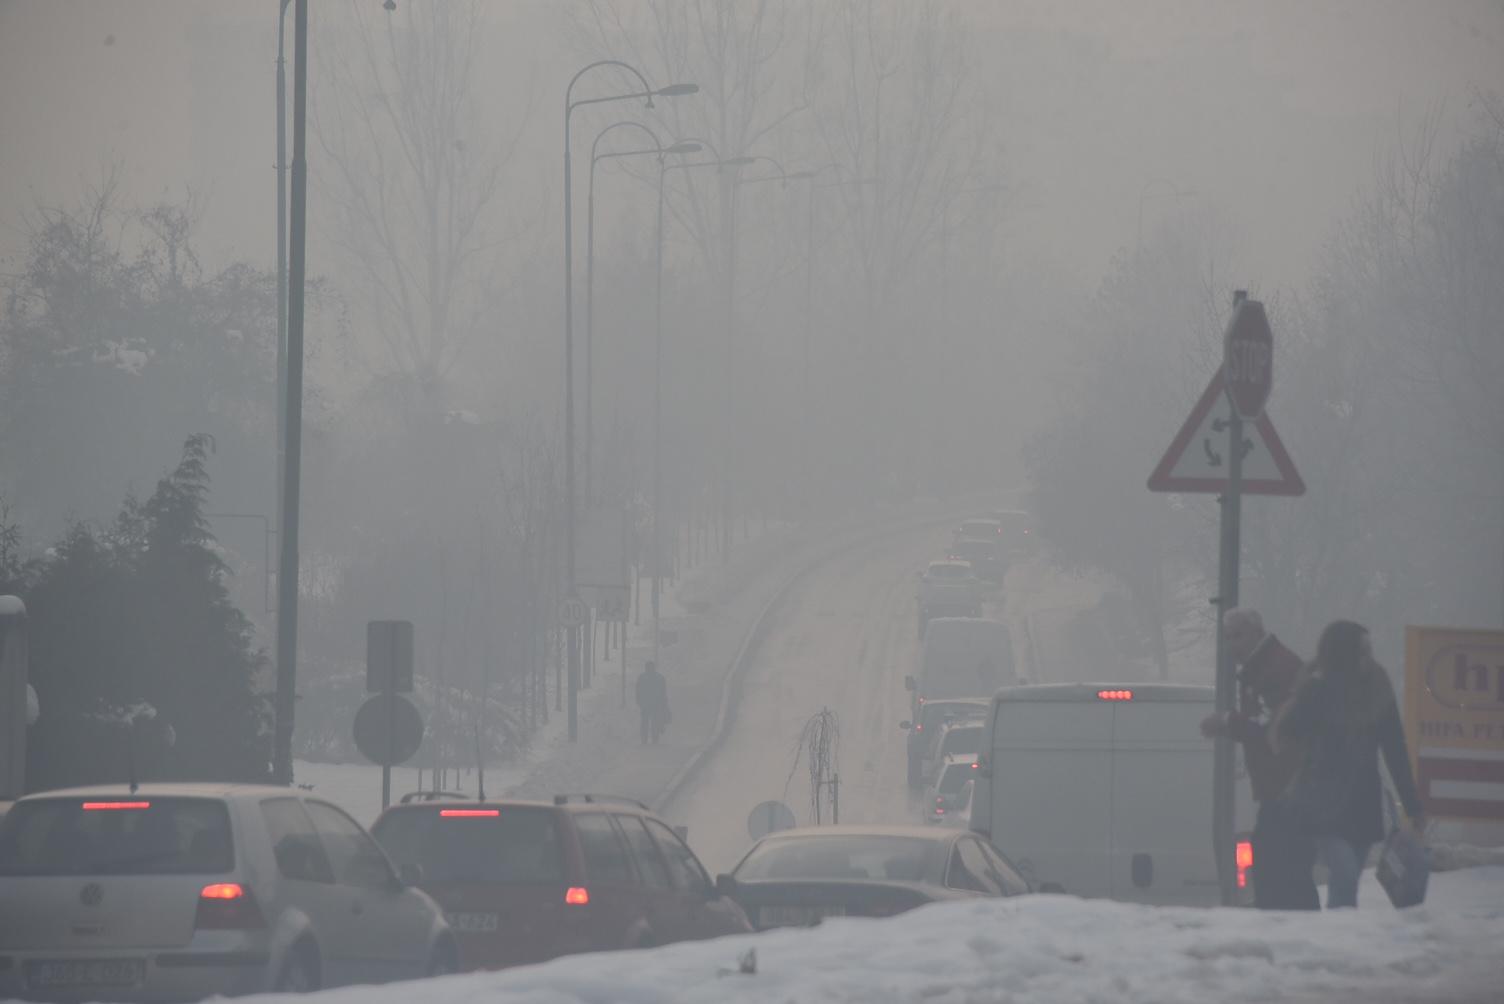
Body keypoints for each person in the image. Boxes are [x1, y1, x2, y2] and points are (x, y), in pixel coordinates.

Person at [1275, 620, 1426, 909]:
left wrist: (1413, 805)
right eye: (1362, 651)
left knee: (1351, 877)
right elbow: (1289, 732)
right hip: (1322, 797)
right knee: (1343, 871)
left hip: (1362, 799)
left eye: (1370, 650)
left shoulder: (1377, 691)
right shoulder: (1316, 691)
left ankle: (1342, 937)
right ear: (1342, 654)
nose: (1369, 657)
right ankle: (1339, 937)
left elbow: (1395, 749)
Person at [1200, 608, 1316, 909]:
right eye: (1227, 638)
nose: (1232, 645)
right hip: (1282, 786)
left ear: (1257, 632)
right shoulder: (1262, 667)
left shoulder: (1274, 669)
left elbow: (1272, 729)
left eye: (1238, 636)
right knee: (1279, 866)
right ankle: (1290, 925)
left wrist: (1227, 722)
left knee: (1277, 866)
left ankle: (1290, 928)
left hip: (1289, 786)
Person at [635, 661, 669, 744]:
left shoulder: (642, 677)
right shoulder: (660, 677)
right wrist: (663, 702)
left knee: (645, 722)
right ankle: (655, 738)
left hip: (645, 704)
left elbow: (638, 690)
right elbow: (663, 692)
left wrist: (639, 700)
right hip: (656, 703)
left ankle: (644, 739)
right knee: (655, 721)